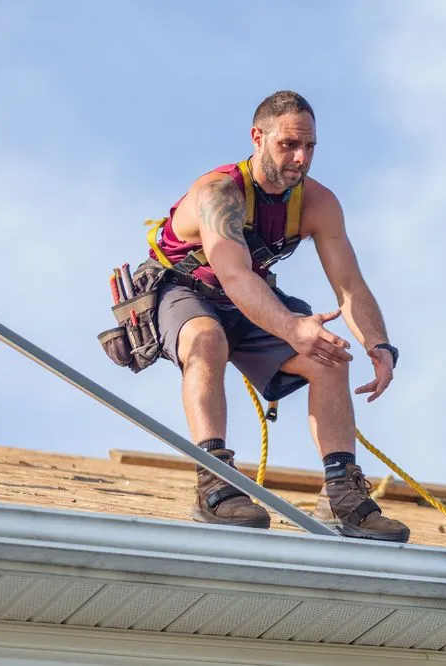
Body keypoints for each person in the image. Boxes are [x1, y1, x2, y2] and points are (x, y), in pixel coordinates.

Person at [144, 90, 409, 542]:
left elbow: (349, 284)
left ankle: (341, 495)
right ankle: (214, 483)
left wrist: (378, 344)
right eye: (289, 144)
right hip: (186, 290)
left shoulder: (318, 204)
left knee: (328, 356)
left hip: (249, 298)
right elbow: (233, 275)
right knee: (207, 339)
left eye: (309, 146)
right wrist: (290, 327)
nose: (301, 158)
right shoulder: (219, 193)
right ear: (258, 138)